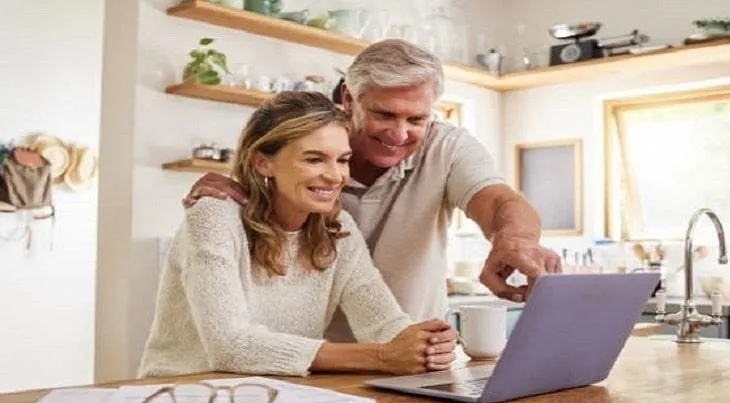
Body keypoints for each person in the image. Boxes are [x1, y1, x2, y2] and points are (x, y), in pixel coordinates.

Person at [182, 39, 561, 341]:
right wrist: (247, 191)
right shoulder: (307, 148)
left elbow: (498, 202)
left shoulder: (447, 147)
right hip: (302, 360)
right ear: (348, 98)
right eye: (384, 114)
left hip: (402, 351)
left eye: (417, 119)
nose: (399, 134)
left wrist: (516, 241)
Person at [138, 91, 456, 378]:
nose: (335, 176)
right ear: (263, 163)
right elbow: (231, 345)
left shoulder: (338, 228)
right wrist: (382, 357)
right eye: (314, 159)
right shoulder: (214, 215)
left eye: (342, 160)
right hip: (181, 399)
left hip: (273, 400)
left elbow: (384, 325)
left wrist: (426, 345)